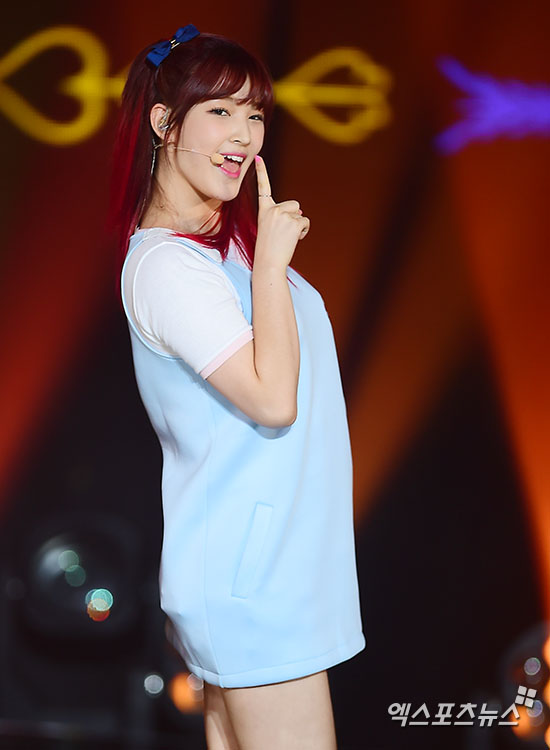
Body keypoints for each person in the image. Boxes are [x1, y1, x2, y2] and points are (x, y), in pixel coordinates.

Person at [108, 23, 365, 750]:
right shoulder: (167, 266)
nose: (244, 134)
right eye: (219, 110)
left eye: (255, 114)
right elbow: (273, 401)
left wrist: (263, 256)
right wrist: (272, 265)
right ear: (165, 122)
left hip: (276, 571)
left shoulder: (227, 244)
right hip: (254, 586)